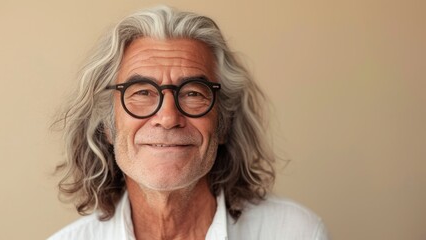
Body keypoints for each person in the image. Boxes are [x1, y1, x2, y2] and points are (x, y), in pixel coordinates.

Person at [49, 5, 328, 240]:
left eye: (193, 92)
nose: (169, 117)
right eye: (143, 92)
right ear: (107, 126)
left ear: (223, 123)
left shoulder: (296, 232)